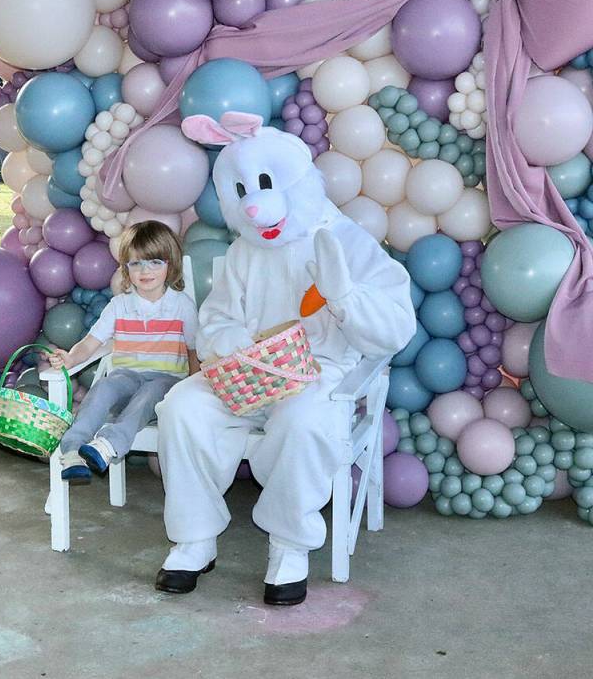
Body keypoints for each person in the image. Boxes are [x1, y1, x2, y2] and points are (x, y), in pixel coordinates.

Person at [153, 112, 414, 605]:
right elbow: (218, 318)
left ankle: (289, 545)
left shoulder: (347, 241)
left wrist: (346, 298)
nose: (254, 209)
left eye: (266, 185)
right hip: (250, 375)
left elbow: (396, 330)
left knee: (305, 423)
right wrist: (232, 346)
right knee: (182, 407)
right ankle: (195, 537)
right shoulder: (245, 250)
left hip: (319, 375)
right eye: (242, 193)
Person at [49, 221, 198, 481]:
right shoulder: (120, 306)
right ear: (126, 268)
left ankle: (108, 444)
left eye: (154, 262)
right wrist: (71, 357)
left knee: (150, 391)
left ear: (170, 265)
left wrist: (195, 386)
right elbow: (90, 342)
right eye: (136, 263)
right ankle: (72, 450)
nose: (145, 270)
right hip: (127, 376)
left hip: (166, 381)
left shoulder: (181, 305)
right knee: (105, 387)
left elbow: (195, 350)